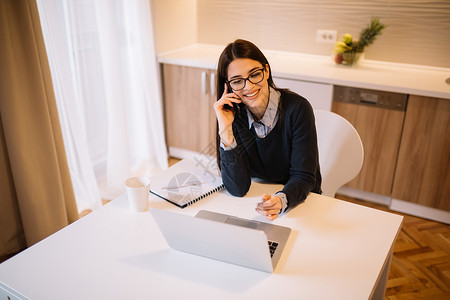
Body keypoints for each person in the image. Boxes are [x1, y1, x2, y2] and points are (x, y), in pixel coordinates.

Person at [213, 39, 322, 221]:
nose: (248, 87)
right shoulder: (232, 114)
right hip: (255, 201)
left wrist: (280, 201)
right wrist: (225, 128)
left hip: (296, 200)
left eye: (254, 74)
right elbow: (237, 188)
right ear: (228, 86)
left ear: (266, 70)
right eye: (237, 81)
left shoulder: (298, 109)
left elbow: (304, 176)